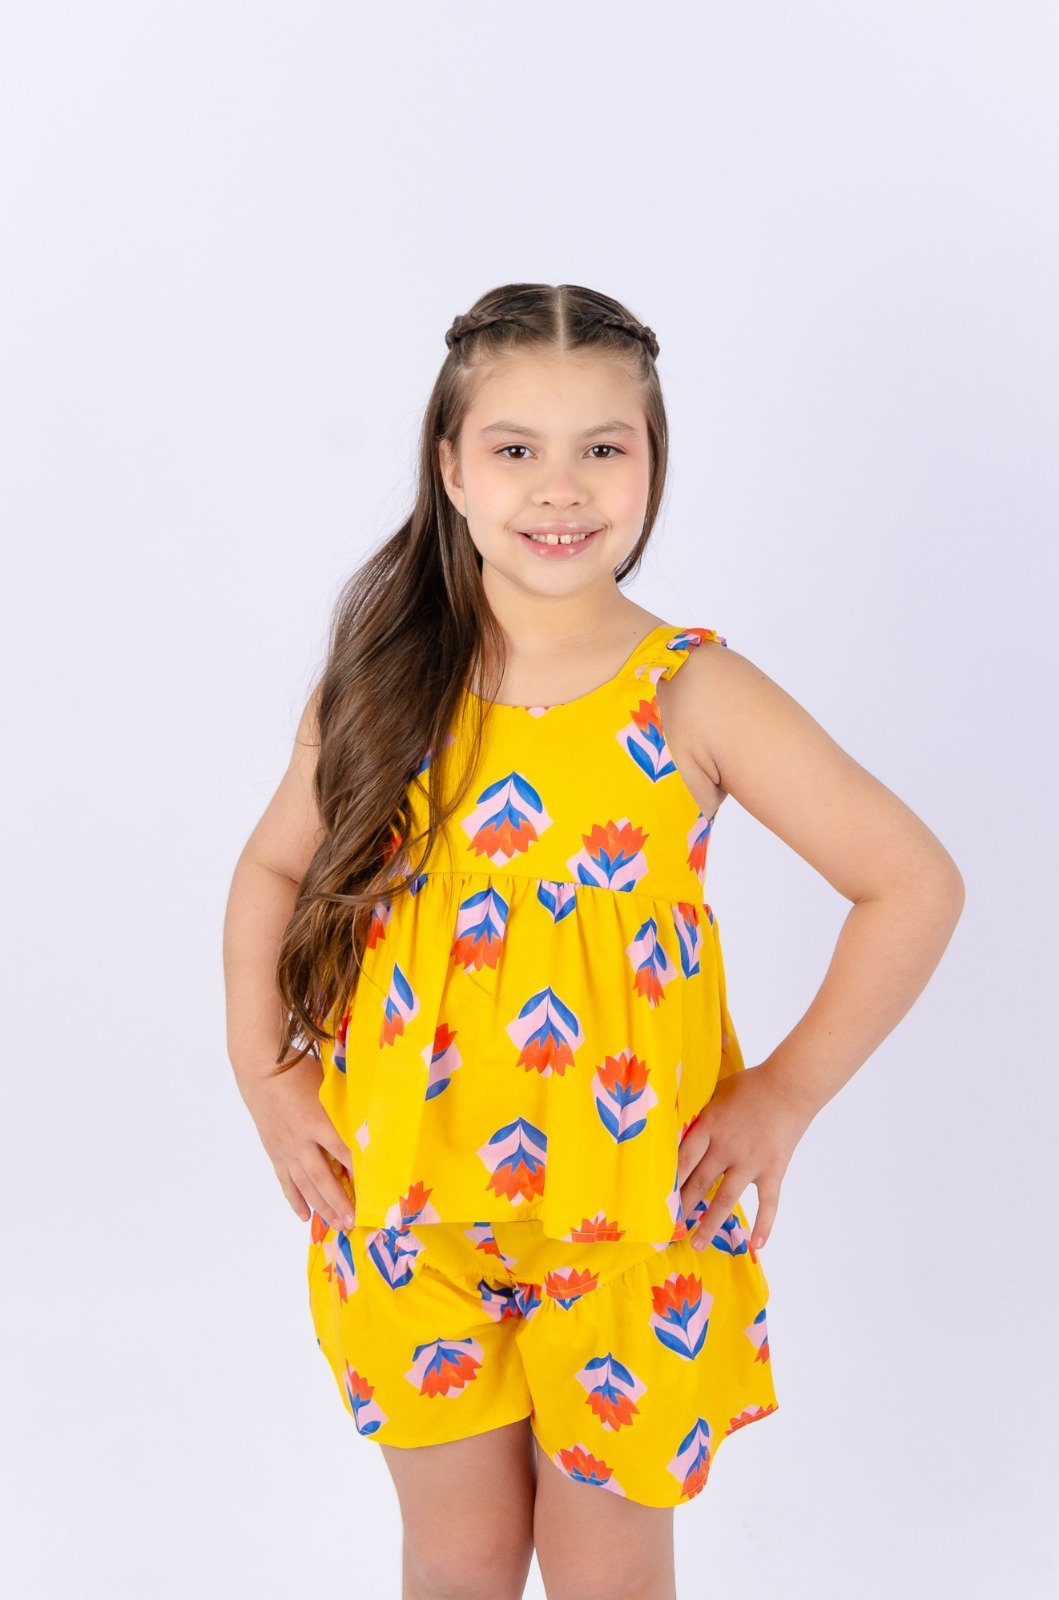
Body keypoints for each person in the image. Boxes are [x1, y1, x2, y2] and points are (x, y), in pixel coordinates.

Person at [222, 281, 964, 1600]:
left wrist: (784, 1096)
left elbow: (911, 883)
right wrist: (268, 1078)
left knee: (606, 1568)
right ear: (451, 467)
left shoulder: (693, 691)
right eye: (515, 447)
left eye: (602, 447)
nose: (558, 488)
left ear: (652, 463)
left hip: (628, 1219)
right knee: (458, 1556)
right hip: (408, 1211)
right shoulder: (383, 686)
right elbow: (274, 868)